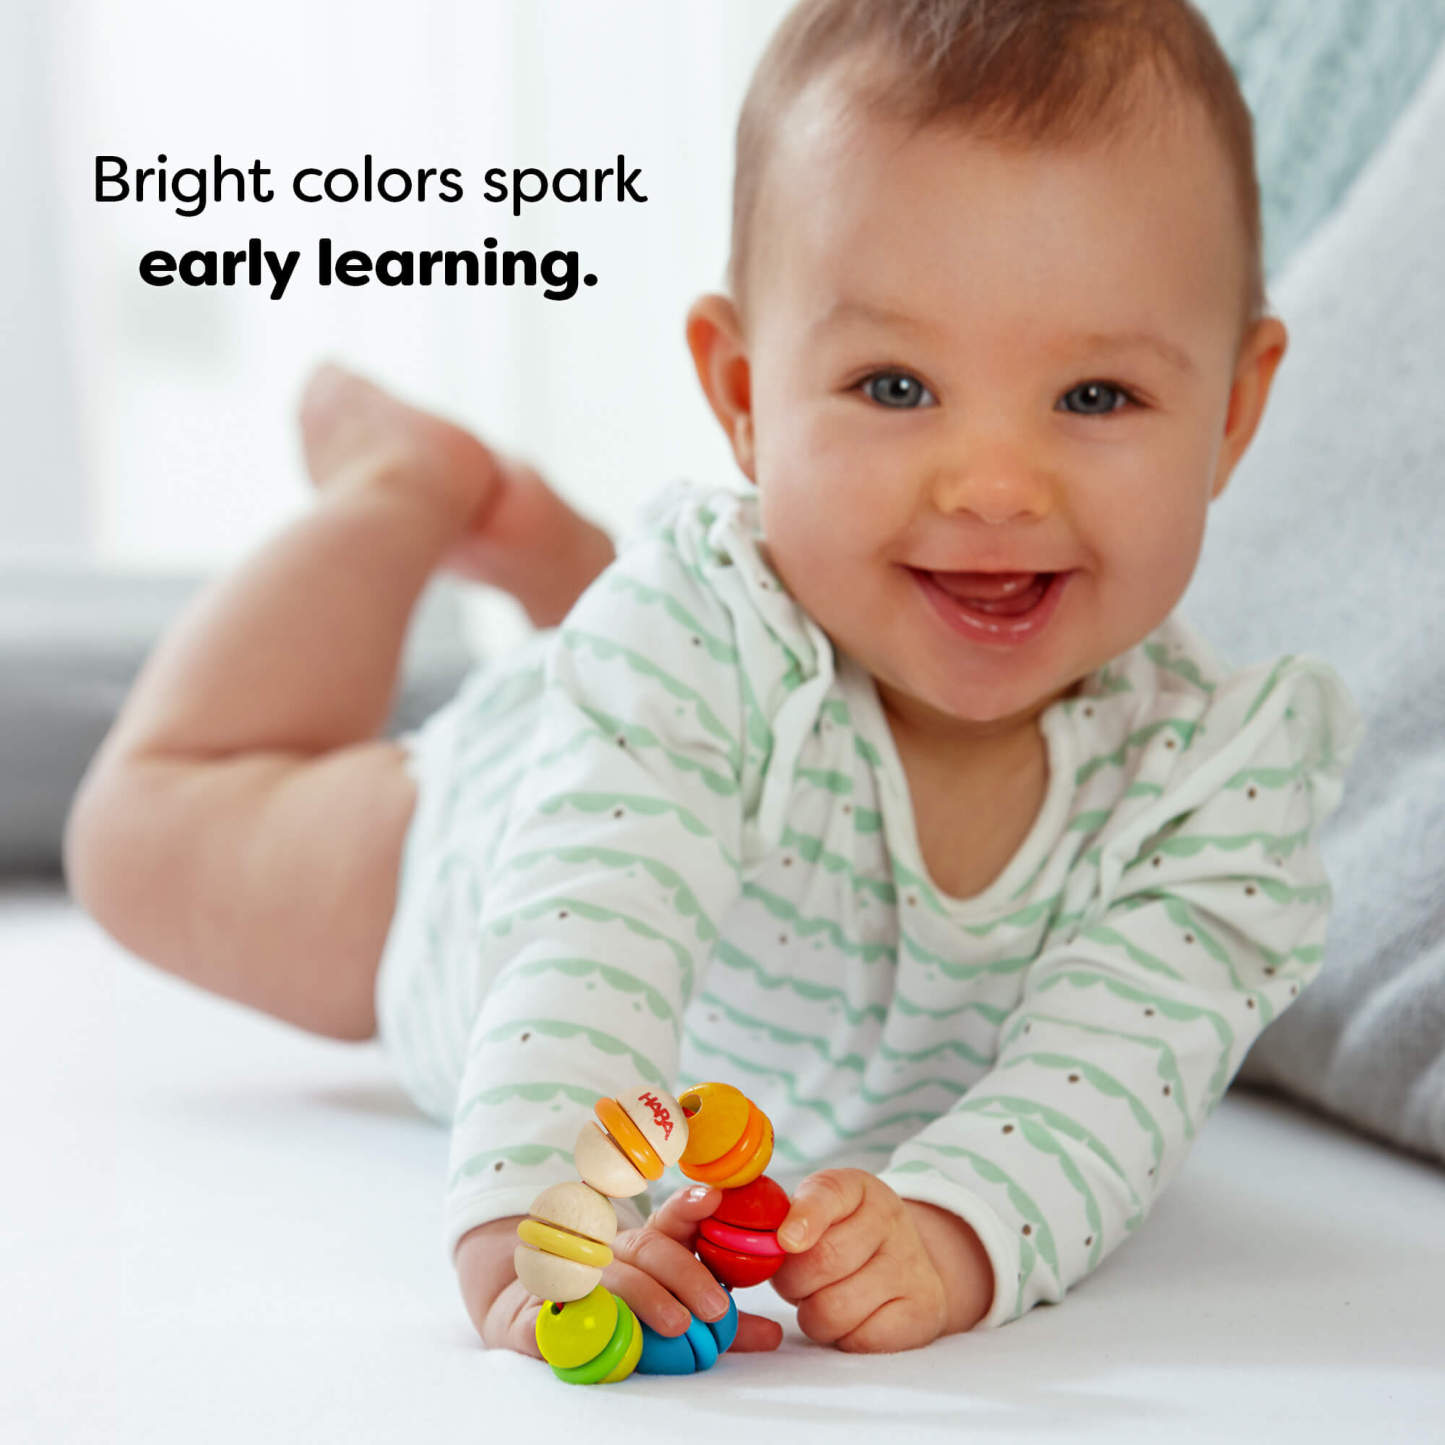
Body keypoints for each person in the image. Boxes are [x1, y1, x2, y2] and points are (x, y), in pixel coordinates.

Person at [64, 0, 1364, 1360]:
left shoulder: (1223, 782)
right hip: (501, 849)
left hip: (682, 715)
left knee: (662, 662)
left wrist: (952, 1227)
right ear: (741, 392)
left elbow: (1111, 1076)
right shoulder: (692, 650)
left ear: (1230, 408)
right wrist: (543, 1233)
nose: (992, 486)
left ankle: (563, 572)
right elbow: (591, 931)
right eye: (894, 384)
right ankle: (408, 489)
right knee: (144, 840)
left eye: (1094, 397)